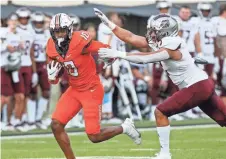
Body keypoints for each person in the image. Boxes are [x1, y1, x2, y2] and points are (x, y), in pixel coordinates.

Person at [94, 8, 226, 159]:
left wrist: (119, 54)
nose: (150, 32)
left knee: (160, 112)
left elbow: (146, 58)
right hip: (202, 84)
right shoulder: (164, 41)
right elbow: (131, 37)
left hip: (197, 86)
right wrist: (111, 25)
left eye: (154, 30)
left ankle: (164, 154)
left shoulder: (171, 44)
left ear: (165, 31)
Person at [46, 13, 141, 159]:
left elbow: (103, 48)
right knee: (56, 124)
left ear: (70, 30)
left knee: (94, 136)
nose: (59, 35)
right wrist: (52, 76)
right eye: (56, 32)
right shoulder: (51, 47)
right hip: (74, 90)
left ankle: (125, 128)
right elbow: (55, 77)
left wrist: (109, 55)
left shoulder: (79, 41)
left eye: (62, 31)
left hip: (91, 90)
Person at [13, 7, 38, 131]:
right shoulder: (13, 31)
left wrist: (34, 72)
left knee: (26, 95)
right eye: (21, 18)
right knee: (19, 96)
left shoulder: (31, 31)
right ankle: (15, 120)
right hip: (16, 65)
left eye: (25, 18)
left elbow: (32, 53)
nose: (23, 20)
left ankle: (21, 119)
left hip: (27, 65)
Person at [30, 12, 51, 129]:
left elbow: (48, 51)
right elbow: (31, 52)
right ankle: (31, 120)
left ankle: (38, 118)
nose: (39, 25)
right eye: (36, 23)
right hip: (32, 63)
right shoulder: (29, 32)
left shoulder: (47, 33)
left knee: (46, 92)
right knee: (32, 93)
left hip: (43, 63)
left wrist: (49, 66)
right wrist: (33, 71)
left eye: (41, 22)